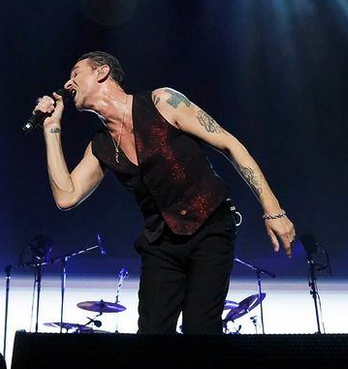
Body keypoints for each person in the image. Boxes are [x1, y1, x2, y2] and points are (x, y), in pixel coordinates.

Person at [33, 51, 296, 334]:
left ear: (102, 72)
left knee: (200, 329)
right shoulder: (100, 146)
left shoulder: (162, 102)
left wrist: (273, 210)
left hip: (209, 228)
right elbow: (66, 197)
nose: (68, 84)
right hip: (160, 243)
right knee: (152, 333)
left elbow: (230, 144)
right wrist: (51, 127)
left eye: (76, 74)